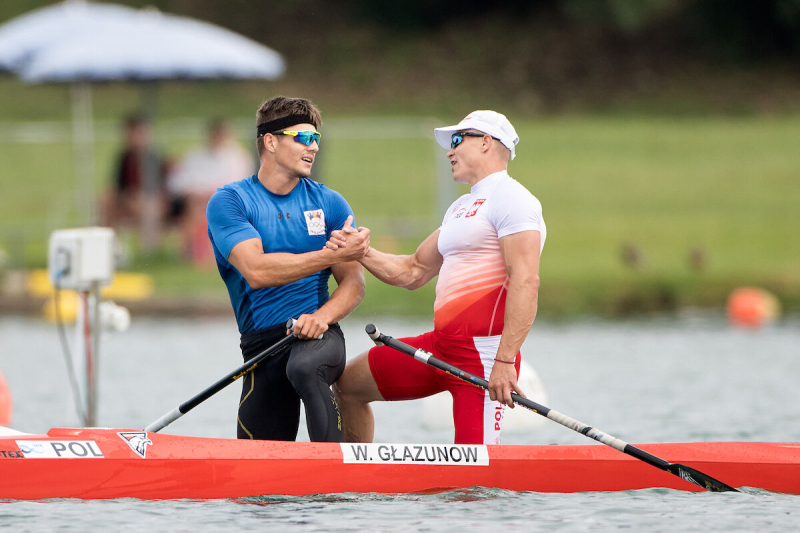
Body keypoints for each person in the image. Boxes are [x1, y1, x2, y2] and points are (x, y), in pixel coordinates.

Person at [331, 110, 546, 445]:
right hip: (439, 347)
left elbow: (525, 281)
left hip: (483, 359)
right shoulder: (461, 207)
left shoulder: (514, 200)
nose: (449, 151)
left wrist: (504, 361)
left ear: (487, 143)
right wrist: (359, 249)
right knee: (347, 386)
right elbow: (413, 270)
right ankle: (354, 479)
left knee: (475, 489)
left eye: (457, 141)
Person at [206, 96, 369, 442]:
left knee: (305, 366)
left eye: (317, 140)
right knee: (257, 490)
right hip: (261, 349)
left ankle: (335, 479)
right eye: (303, 138)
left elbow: (354, 283)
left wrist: (322, 317)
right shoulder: (231, 202)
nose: (313, 148)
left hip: (318, 336)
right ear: (270, 141)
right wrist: (328, 254)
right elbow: (257, 271)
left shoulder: (329, 203)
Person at [168, 118, 255, 266]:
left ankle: (203, 253)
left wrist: (210, 192)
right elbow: (178, 181)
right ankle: (195, 251)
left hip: (226, 200)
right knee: (194, 205)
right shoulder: (196, 156)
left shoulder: (238, 157)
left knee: (207, 205)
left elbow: (240, 183)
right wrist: (195, 191)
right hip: (197, 199)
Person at [102, 113, 167, 251]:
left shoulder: (153, 157)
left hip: (151, 201)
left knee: (146, 205)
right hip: (129, 200)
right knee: (107, 201)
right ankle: (110, 247)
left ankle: (150, 249)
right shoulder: (124, 157)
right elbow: (119, 186)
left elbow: (159, 187)